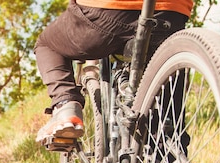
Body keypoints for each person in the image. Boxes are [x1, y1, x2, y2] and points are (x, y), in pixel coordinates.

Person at [34, 0, 194, 145]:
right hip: (172, 13)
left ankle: (65, 105)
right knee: (167, 115)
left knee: (47, 45)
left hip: (108, 11)